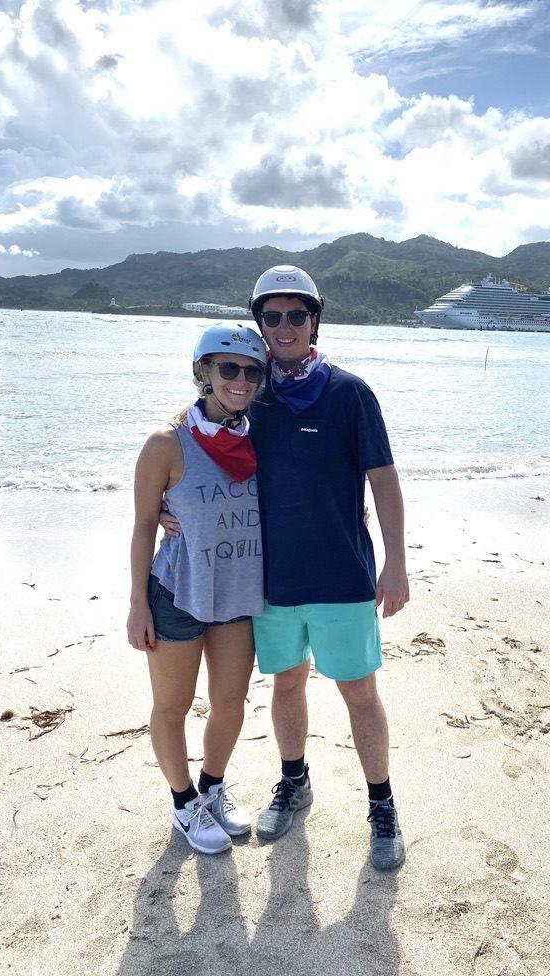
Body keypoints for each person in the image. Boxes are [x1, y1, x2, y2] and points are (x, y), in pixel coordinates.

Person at [162, 265, 410, 870]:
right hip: (269, 578)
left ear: (314, 319)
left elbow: (383, 479)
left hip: (342, 572)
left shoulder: (350, 392)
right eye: (271, 316)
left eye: (296, 314)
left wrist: (397, 563)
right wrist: (168, 504)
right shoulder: (251, 392)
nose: (284, 326)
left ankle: (382, 806)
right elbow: (191, 438)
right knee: (288, 683)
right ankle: (294, 782)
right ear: (259, 324)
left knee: (360, 693)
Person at [127, 323, 268, 855]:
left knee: (230, 701)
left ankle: (212, 787)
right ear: (204, 371)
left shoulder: (262, 438)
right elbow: (144, 524)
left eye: (251, 371)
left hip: (237, 594)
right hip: (176, 593)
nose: (240, 380)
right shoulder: (167, 443)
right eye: (228, 368)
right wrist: (137, 605)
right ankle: (184, 802)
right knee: (173, 704)